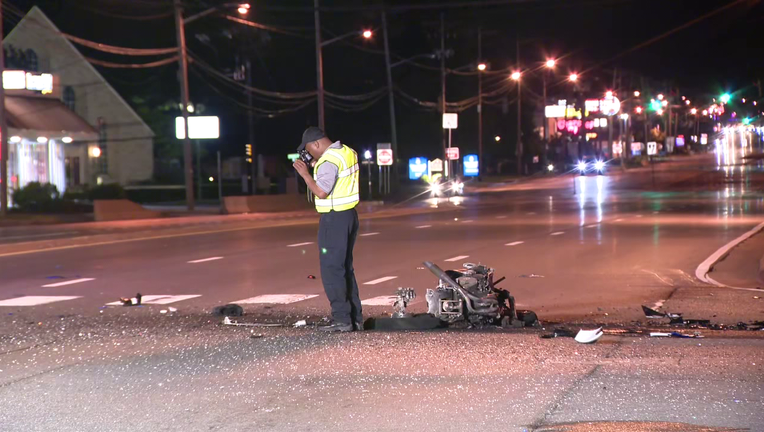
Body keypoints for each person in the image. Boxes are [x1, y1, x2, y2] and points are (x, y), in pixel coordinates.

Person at [293, 127, 362, 332]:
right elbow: (337, 176)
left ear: (316, 144)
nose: (309, 155)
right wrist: (316, 165)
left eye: (309, 150)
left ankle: (341, 319)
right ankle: (354, 318)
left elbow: (322, 192)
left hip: (334, 219)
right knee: (345, 269)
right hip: (349, 216)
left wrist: (306, 174)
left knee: (332, 270)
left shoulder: (328, 160)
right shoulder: (347, 151)